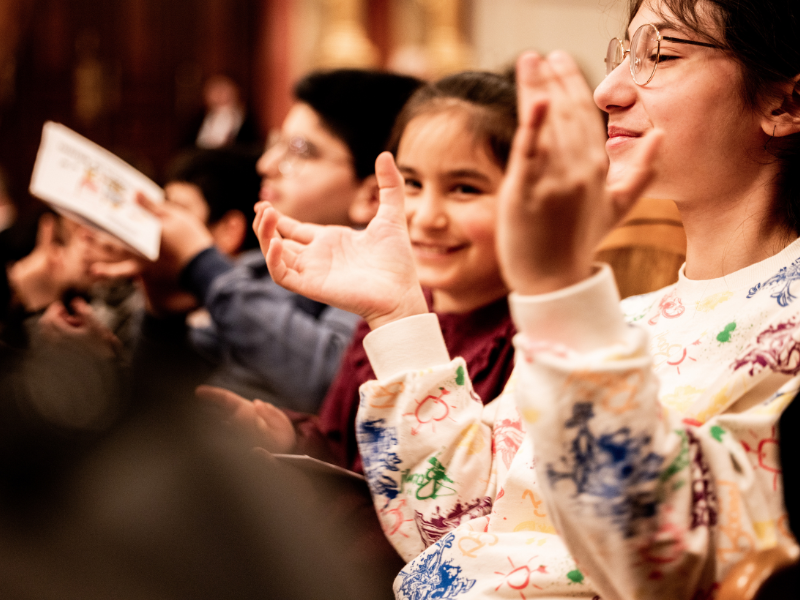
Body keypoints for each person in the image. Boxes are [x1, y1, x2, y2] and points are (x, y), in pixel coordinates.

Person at [251, 0, 800, 597]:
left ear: (782, 103)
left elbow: (656, 565)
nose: (607, 91)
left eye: (661, 55)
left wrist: (560, 288)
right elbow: (451, 525)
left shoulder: (781, 320)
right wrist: (400, 312)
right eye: (624, 55)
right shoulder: (629, 317)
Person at [224, 71, 520, 473]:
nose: (427, 216)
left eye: (464, 188)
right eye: (411, 183)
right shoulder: (384, 308)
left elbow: (467, 497)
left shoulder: (526, 341)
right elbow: (343, 448)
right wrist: (289, 436)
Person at [100, 69, 423, 411]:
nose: (266, 164)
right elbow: (162, 404)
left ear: (372, 195)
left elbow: (333, 383)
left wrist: (201, 262)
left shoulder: (396, 278)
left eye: (299, 151)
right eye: (276, 145)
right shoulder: (258, 265)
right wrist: (164, 313)